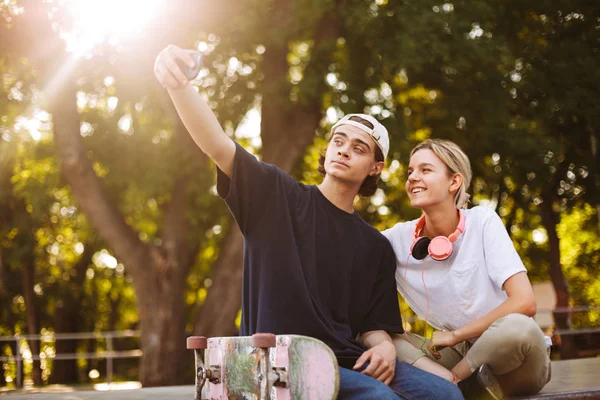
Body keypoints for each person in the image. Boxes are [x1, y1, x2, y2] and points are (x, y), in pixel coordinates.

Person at [154, 45, 463, 399]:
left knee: (446, 395)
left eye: (359, 148)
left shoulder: (375, 247)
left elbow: (372, 327)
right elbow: (217, 145)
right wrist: (178, 85)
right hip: (276, 362)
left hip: (346, 362)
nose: (344, 150)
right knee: (379, 398)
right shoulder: (276, 196)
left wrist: (385, 348)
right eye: (339, 141)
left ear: (376, 168)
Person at [382, 139, 551, 399]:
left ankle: (456, 380)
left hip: (515, 359)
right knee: (380, 340)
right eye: (410, 171)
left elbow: (525, 302)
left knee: (520, 327)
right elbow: (353, 248)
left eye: (425, 170)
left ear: (454, 182)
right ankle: (453, 382)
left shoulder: (483, 221)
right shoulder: (395, 240)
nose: (413, 177)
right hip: (456, 356)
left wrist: (455, 335)